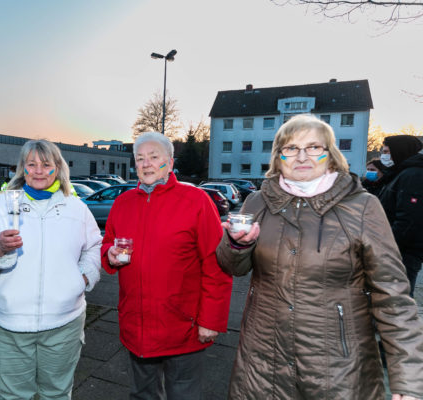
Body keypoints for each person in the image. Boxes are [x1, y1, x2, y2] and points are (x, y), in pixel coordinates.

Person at [216, 114, 423, 400]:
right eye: (290, 148)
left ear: (330, 154)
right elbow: (232, 267)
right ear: (278, 157)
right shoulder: (257, 202)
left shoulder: (362, 207)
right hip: (262, 363)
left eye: (313, 147)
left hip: (338, 368)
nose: (302, 156)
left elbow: (393, 297)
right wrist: (238, 245)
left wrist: (408, 380)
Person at [102, 132, 233, 400]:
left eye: (154, 157)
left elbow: (216, 264)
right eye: (140, 159)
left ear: (170, 163)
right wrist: (110, 254)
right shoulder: (122, 203)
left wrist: (210, 321)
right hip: (137, 326)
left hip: (183, 327)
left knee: (183, 395)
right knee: (142, 395)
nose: (146, 164)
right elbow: (107, 245)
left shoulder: (196, 201)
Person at [0, 139, 102, 400]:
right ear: (22, 169)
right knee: (14, 396)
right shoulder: (1, 205)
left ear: (57, 169)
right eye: (31, 164)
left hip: (63, 324)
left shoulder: (76, 208)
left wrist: (85, 276)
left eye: (46, 164)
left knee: (57, 394)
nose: (39, 170)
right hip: (8, 326)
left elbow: (94, 245)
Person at [379, 135, 423, 298]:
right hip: (396, 250)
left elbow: (409, 219)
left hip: (401, 252)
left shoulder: (413, 175)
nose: (384, 156)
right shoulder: (401, 173)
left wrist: (387, 246)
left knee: (398, 301)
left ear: (399, 151)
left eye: (387, 152)